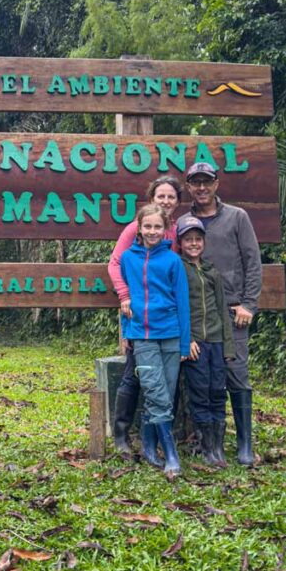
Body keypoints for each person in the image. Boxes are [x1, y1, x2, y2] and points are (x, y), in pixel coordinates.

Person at [185, 161, 262, 465]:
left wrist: (249, 304)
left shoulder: (237, 217)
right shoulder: (186, 222)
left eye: (207, 181)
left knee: (236, 375)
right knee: (203, 379)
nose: (202, 187)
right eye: (196, 182)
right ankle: (207, 443)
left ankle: (245, 444)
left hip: (232, 311)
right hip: (198, 315)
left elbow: (252, 262)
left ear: (216, 184)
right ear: (189, 187)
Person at [108, 175, 182, 460]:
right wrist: (125, 295)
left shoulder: (176, 230)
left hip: (167, 320)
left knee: (168, 383)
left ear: (177, 201)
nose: (166, 201)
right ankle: (122, 435)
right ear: (152, 198)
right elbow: (116, 263)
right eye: (161, 196)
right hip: (139, 317)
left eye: (171, 196)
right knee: (133, 375)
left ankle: (158, 441)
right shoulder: (135, 228)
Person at [119, 202, 190, 477]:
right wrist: (128, 331)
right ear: (139, 228)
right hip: (143, 337)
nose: (152, 231)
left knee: (165, 395)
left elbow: (182, 303)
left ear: (165, 229)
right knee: (155, 392)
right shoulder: (128, 258)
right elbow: (126, 299)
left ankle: (149, 446)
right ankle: (171, 454)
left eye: (157, 227)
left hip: (170, 335)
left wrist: (184, 343)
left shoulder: (173, 260)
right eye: (147, 226)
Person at [176, 213, 235, 466]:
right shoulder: (178, 268)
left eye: (197, 239)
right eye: (188, 239)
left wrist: (228, 346)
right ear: (180, 243)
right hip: (195, 343)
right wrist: (186, 340)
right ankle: (206, 447)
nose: (193, 244)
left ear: (204, 242)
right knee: (199, 393)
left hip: (216, 340)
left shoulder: (212, 271)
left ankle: (218, 447)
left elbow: (222, 308)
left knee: (217, 392)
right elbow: (177, 307)